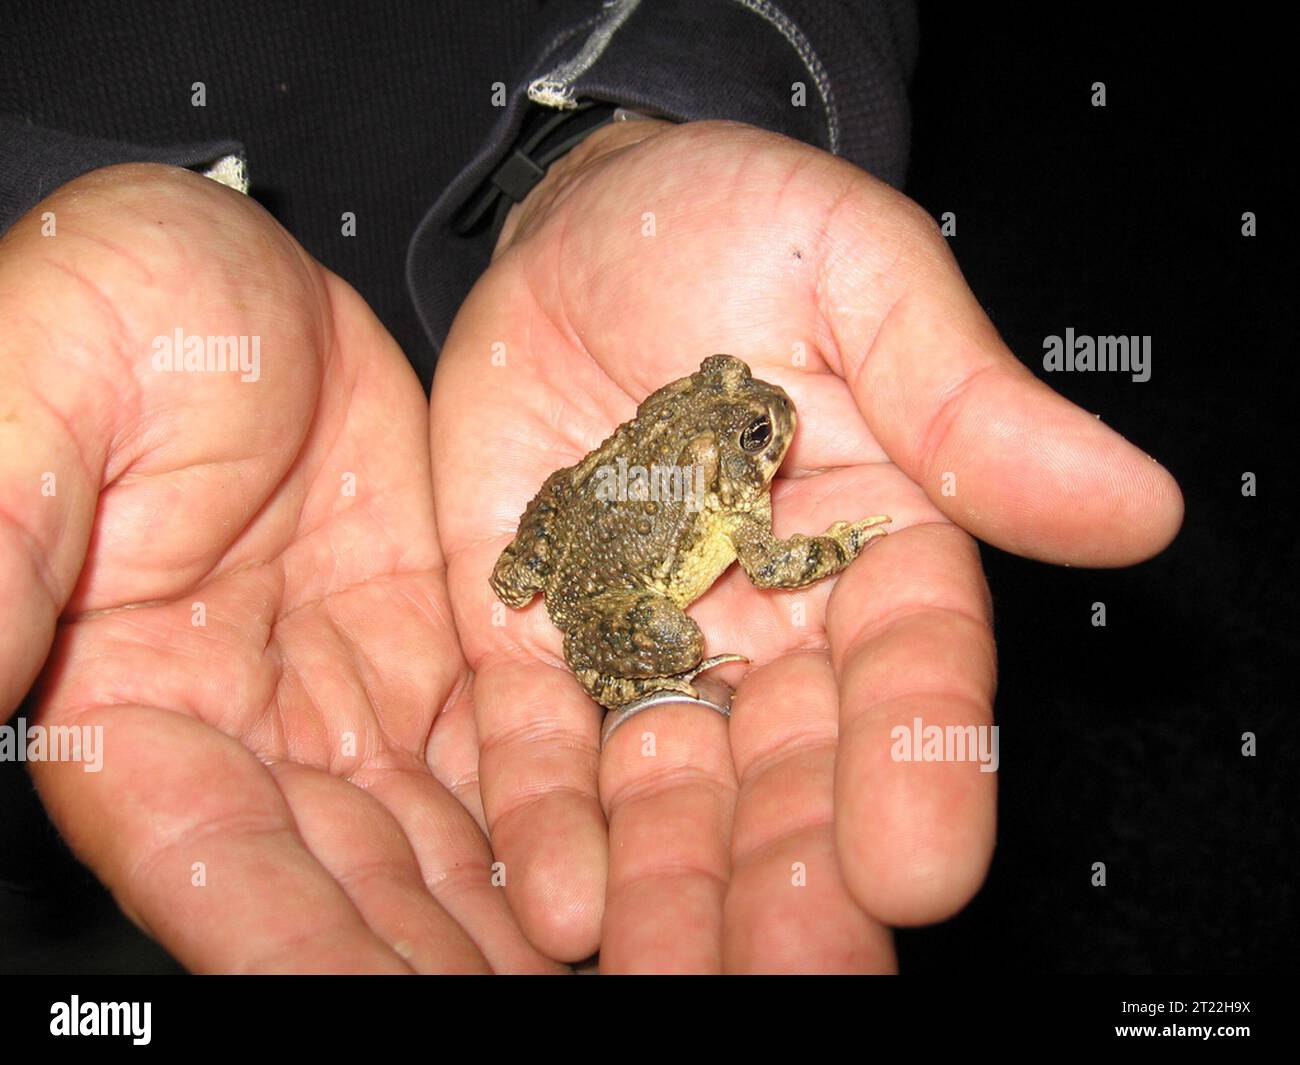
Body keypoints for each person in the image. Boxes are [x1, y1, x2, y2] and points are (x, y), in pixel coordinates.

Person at [0, 1, 1182, 973]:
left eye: (747, 409)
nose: (766, 422)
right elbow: (768, 563)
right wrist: (840, 545)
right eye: (748, 420)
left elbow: (605, 494)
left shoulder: (693, 453)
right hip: (561, 557)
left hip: (544, 492)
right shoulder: (732, 498)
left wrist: (617, 135)